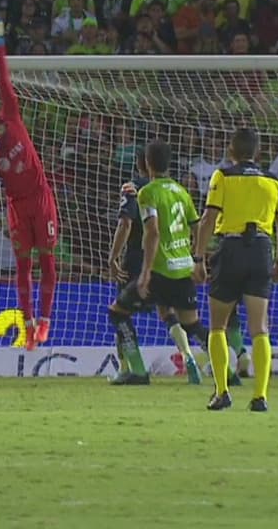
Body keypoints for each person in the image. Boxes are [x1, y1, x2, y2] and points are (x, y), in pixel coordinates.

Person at [0, 10, 61, 352]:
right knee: (22, 266)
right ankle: (28, 324)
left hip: (40, 197)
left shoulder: (12, 116)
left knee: (47, 261)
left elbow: (4, 80)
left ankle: (45, 319)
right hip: (17, 206)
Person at [193, 128, 278, 411]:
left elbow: (208, 219)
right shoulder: (273, 181)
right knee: (260, 328)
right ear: (257, 152)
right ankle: (260, 396)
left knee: (218, 325)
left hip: (231, 248)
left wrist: (198, 258)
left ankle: (222, 392)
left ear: (231, 151)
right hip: (261, 250)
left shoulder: (223, 176)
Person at [105, 147, 207, 386]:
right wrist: (199, 258)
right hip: (175, 263)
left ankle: (132, 369)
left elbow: (127, 225)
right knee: (175, 316)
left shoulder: (136, 189)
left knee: (119, 312)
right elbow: (197, 225)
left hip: (142, 262)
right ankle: (208, 362)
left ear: (142, 164)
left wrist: (114, 257)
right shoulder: (179, 190)